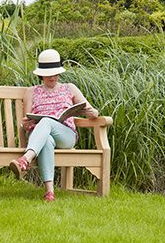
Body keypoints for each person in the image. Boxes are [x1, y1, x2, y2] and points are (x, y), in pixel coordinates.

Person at [9, 49, 99, 202]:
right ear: (41, 74)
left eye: (55, 73)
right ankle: (50, 192)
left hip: (66, 135)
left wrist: (90, 112)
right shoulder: (31, 92)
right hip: (40, 136)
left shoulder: (69, 88)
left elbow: (94, 112)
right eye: (48, 73)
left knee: (46, 122)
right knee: (47, 140)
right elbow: (26, 123)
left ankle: (25, 159)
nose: (52, 77)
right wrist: (25, 123)